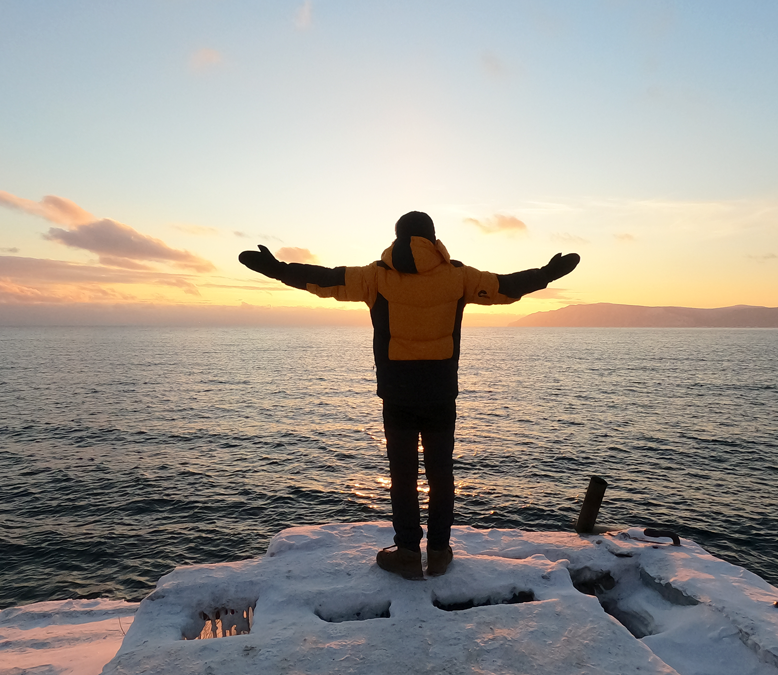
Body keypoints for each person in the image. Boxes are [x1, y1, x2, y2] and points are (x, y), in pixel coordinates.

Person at [239, 211, 579, 580]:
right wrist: (546, 274)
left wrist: (277, 269)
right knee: (441, 474)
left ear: (398, 237)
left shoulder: (375, 276)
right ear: (433, 239)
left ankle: (405, 552)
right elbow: (506, 287)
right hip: (440, 393)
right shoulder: (458, 276)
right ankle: (438, 553)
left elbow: (324, 279)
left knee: (402, 476)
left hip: (397, 394)